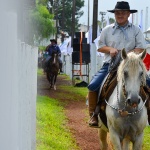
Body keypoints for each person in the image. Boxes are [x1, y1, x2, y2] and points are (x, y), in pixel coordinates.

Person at [88, 1, 150, 127]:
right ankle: (94, 114)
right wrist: (110, 49)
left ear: (128, 14)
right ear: (114, 14)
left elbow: (141, 48)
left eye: (123, 13)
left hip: (132, 65)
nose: (120, 15)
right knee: (93, 85)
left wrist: (129, 54)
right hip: (111, 65)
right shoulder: (107, 30)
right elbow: (100, 47)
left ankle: (149, 112)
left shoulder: (136, 30)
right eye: (117, 13)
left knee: (149, 83)